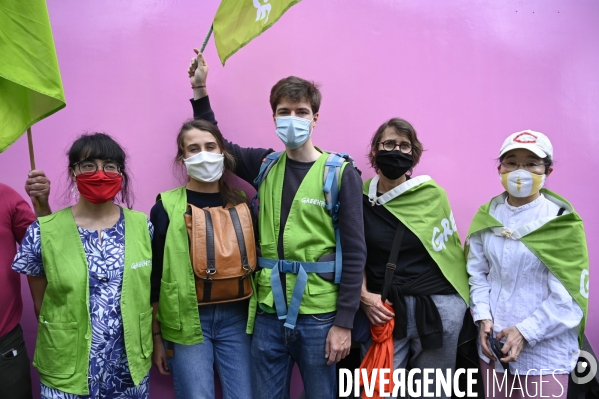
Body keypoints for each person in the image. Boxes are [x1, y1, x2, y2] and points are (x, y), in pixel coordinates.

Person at [188, 50, 366, 398]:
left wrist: (344, 323)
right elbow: (218, 146)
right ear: (274, 117)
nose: (293, 118)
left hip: (319, 317)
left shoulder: (340, 173)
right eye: (284, 112)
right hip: (268, 312)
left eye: (301, 112)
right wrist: (199, 90)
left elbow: (357, 251)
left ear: (315, 118)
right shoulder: (264, 164)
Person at [12, 133, 154, 399]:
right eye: (89, 165)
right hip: (67, 369)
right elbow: (42, 303)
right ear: (73, 171)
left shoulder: (143, 226)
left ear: (120, 173)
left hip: (128, 370)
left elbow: (147, 291)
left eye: (110, 166)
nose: (100, 173)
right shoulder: (42, 232)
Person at [466, 130, 588, 398]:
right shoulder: (487, 217)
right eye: (512, 162)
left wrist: (525, 332)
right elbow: (477, 274)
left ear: (548, 171)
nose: (520, 171)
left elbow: (569, 295)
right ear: (500, 168)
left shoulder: (560, 222)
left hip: (545, 353)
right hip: (493, 347)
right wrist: (483, 317)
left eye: (531, 163)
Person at [359, 118, 470, 398]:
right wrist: (363, 295)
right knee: (378, 391)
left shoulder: (432, 196)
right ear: (375, 150)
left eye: (404, 146)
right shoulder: (359, 197)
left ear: (414, 155)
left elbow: (450, 253)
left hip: (438, 307)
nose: (396, 150)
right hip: (384, 309)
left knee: (430, 393)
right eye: (389, 143)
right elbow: (350, 251)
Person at [150, 119, 254, 399]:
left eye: (210, 146)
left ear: (223, 152)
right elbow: (155, 277)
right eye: (193, 149)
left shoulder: (243, 204)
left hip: (237, 317)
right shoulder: (165, 207)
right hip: (185, 319)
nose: (203, 154)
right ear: (183, 157)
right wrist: (157, 337)